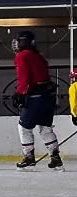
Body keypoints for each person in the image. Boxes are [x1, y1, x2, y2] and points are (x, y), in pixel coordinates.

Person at [12, 30, 61, 169]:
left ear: (25, 42)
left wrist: (20, 93)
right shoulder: (39, 56)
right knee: (45, 128)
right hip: (47, 97)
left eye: (18, 40)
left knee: (24, 127)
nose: (16, 43)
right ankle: (55, 158)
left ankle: (29, 157)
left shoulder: (22, 56)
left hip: (34, 97)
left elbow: (24, 77)